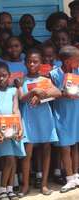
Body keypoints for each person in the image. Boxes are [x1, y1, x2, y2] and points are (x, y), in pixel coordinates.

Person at [18, 49, 60, 197]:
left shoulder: (45, 80)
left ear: (41, 63)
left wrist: (43, 95)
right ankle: (25, 186)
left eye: (35, 61)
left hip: (44, 118)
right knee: (27, 153)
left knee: (46, 150)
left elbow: (58, 93)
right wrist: (33, 91)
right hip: (28, 119)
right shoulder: (21, 80)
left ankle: (44, 185)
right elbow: (21, 99)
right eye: (29, 61)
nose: (32, 64)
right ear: (25, 63)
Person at [0, 62, 25, 200]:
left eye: (4, 76)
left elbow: (16, 110)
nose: (1, 79)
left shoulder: (13, 91)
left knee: (12, 159)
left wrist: (20, 128)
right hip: (1, 131)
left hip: (13, 129)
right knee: (8, 159)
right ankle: (2, 189)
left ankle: (9, 189)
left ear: (9, 76)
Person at [50, 45, 79, 193]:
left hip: (76, 113)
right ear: (68, 61)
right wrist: (62, 93)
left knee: (75, 145)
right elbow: (50, 92)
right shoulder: (54, 74)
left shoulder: (78, 71)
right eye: (77, 59)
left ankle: (76, 174)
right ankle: (69, 178)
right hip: (62, 115)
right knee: (65, 147)